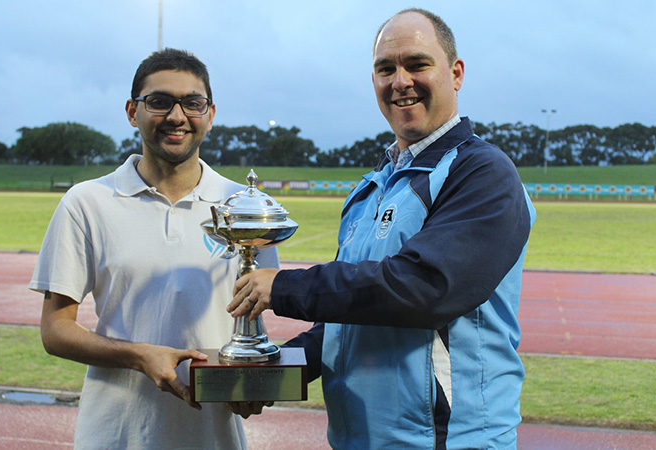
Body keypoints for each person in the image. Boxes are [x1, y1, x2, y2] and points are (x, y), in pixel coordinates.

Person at [229, 8, 536, 450]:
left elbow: (426, 288)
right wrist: (266, 374)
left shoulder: (481, 172)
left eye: (417, 64)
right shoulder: (371, 188)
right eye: (385, 69)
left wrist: (283, 287)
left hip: (446, 441)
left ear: (456, 73)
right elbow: (342, 324)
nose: (400, 81)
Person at [29, 48, 278, 449]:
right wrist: (139, 356)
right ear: (133, 112)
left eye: (192, 103)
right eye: (159, 102)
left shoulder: (244, 208)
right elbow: (55, 331)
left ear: (210, 115)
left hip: (212, 437)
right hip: (115, 434)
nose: (177, 116)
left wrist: (249, 384)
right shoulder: (87, 202)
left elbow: (252, 329)